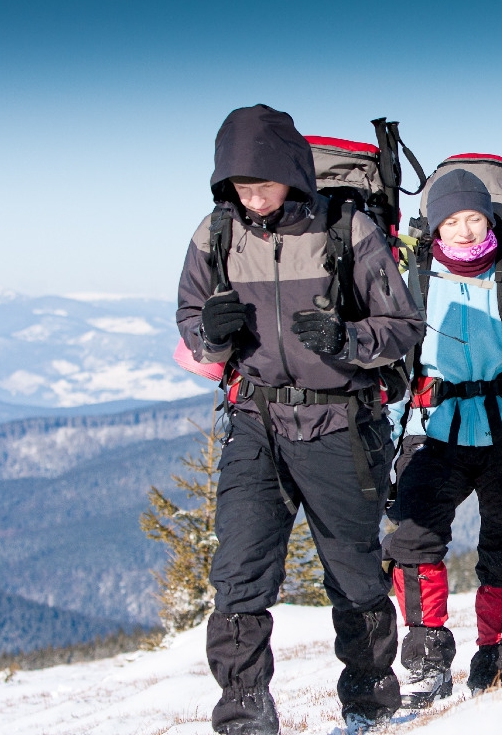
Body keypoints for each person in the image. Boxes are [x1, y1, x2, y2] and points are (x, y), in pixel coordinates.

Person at [176, 104, 425, 734]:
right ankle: (245, 716)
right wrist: (210, 333)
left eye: (261, 182)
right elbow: (189, 322)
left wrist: (346, 338)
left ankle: (369, 701)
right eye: (237, 185)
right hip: (255, 421)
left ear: (291, 170)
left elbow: (403, 329)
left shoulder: (350, 230)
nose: (250, 196)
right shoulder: (216, 234)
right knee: (238, 572)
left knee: (354, 572)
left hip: (339, 424)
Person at [382, 169, 502, 706]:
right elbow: (397, 378)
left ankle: (497, 656)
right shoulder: (412, 284)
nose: (464, 231)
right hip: (432, 436)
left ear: (490, 219)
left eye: (474, 219)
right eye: (452, 221)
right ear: (435, 228)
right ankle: (426, 659)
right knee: (413, 542)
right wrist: (387, 448)